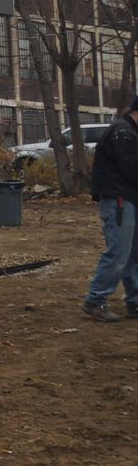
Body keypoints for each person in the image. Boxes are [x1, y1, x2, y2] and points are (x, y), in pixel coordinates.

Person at [83, 96, 138, 322]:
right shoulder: (122, 132)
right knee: (118, 253)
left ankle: (135, 301)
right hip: (119, 200)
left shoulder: (129, 132)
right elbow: (133, 168)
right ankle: (95, 299)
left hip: (129, 200)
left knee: (134, 254)